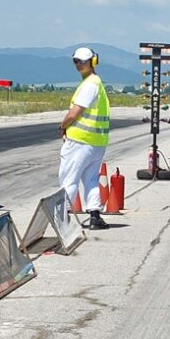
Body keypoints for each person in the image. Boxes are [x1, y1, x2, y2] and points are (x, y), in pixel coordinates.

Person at [58, 46, 111, 230]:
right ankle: (95, 216)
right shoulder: (97, 83)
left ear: (93, 62)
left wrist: (62, 125)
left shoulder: (90, 84)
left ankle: (62, 218)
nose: (79, 65)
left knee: (69, 179)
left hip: (80, 141)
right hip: (96, 142)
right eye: (76, 61)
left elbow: (75, 112)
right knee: (91, 180)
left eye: (83, 61)